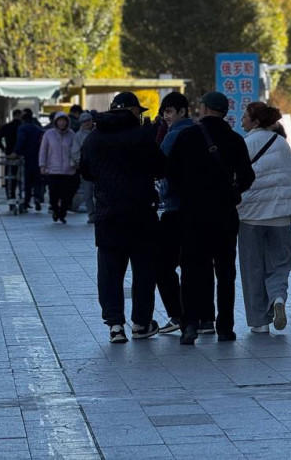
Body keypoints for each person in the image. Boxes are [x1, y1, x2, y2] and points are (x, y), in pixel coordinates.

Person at [166, 92, 255, 345]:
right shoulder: (235, 139)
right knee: (225, 270)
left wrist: (188, 191)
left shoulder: (186, 136)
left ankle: (190, 325)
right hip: (225, 214)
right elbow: (247, 176)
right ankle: (225, 327)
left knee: (192, 269)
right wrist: (233, 191)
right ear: (225, 112)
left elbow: (170, 172)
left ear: (203, 108)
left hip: (192, 213)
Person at [80, 92, 166, 344]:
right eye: (138, 111)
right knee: (143, 273)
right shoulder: (141, 136)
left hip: (107, 214)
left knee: (109, 274)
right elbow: (162, 167)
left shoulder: (94, 137)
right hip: (141, 214)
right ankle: (141, 323)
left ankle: (115, 325)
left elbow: (85, 172)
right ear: (130, 111)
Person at [237, 102, 291, 335]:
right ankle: (277, 298)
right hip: (281, 217)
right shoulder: (282, 144)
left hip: (251, 217)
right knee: (280, 264)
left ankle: (259, 322)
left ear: (255, 122)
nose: (241, 120)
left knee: (252, 268)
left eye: (244, 117)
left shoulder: (245, 144)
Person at [154, 92, 196, 334]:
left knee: (163, 265)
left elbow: (164, 173)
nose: (166, 116)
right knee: (195, 265)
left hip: (174, 210)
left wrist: (160, 196)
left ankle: (177, 315)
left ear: (182, 111)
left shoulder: (172, 137)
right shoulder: (201, 132)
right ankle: (203, 318)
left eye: (169, 111)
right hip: (199, 210)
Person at [39, 111, 76, 224]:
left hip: (68, 170)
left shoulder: (71, 134)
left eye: (64, 121)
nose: (61, 123)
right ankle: (55, 210)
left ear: (67, 122)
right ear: (55, 122)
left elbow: (75, 150)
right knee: (53, 194)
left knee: (66, 195)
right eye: (59, 121)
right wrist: (42, 165)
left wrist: (75, 163)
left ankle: (63, 213)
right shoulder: (49, 134)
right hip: (53, 169)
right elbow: (43, 150)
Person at [15, 110, 45, 212]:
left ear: (23, 119)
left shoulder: (22, 128)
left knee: (27, 181)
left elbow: (20, 141)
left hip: (27, 157)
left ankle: (26, 201)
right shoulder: (38, 128)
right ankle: (37, 197)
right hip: (38, 156)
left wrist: (16, 152)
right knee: (37, 180)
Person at [71, 111, 96, 220]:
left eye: (88, 121)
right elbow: (75, 152)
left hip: (100, 167)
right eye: (84, 122)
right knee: (88, 192)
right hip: (86, 168)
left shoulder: (98, 132)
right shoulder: (78, 136)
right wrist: (81, 163)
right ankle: (91, 214)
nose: (87, 123)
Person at [0, 109, 23, 201]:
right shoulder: (21, 127)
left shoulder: (6, 127)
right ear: (20, 115)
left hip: (9, 153)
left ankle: (10, 195)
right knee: (21, 176)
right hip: (21, 154)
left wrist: (3, 148)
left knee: (9, 176)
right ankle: (21, 196)